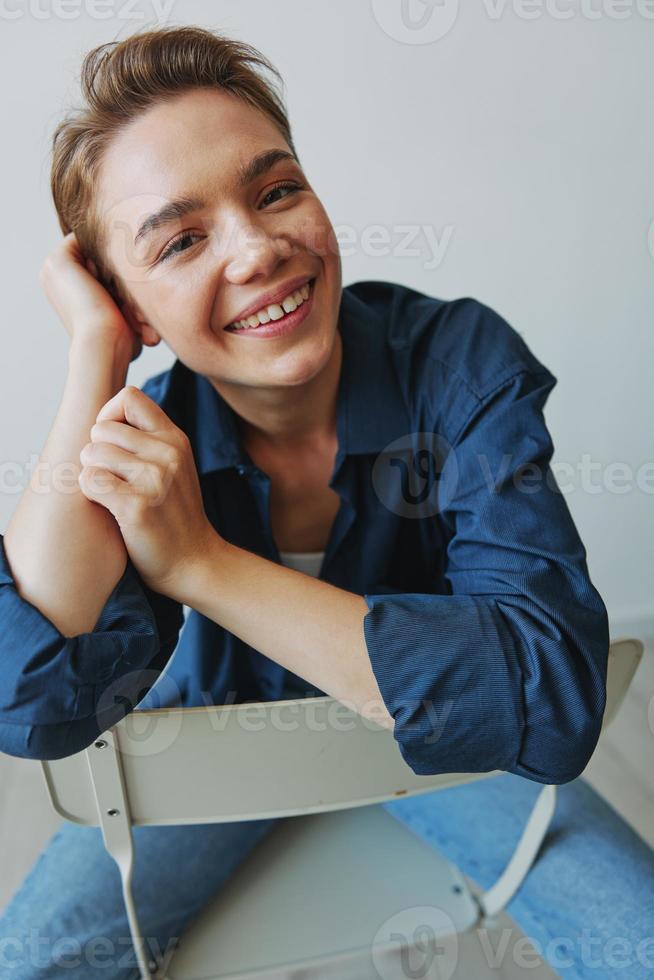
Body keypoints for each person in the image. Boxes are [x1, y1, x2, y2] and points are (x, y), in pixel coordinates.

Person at [0, 24, 652, 980]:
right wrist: (95, 352)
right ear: (135, 309)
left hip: (436, 741)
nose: (260, 248)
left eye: (276, 191)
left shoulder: (460, 361)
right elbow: (34, 701)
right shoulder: (150, 436)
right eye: (181, 240)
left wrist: (202, 566)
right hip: (226, 730)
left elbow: (551, 702)